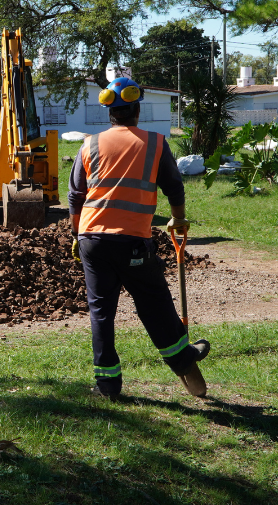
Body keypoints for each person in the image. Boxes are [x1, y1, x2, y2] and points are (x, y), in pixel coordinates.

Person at [68, 77, 210, 401]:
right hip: (131, 241)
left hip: (92, 239)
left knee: (101, 312)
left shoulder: (89, 144)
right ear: (136, 109)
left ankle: (107, 385)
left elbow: (75, 195)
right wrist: (178, 216)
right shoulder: (155, 143)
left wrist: (76, 233)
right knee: (154, 302)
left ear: (110, 113)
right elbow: (174, 186)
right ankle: (182, 358)